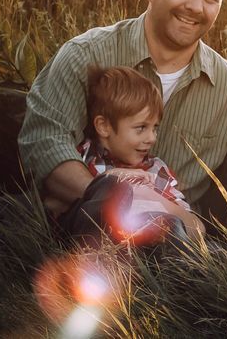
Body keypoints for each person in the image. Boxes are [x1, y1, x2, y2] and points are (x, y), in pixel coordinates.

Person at [19, 0, 227, 242]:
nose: (196, 6)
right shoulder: (85, 54)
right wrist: (124, 200)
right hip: (77, 230)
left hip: (172, 243)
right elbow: (44, 143)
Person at [76, 65, 206, 246]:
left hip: (155, 248)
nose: (152, 138)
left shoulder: (156, 171)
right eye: (141, 128)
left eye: (155, 128)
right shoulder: (83, 160)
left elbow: (197, 228)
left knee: (174, 227)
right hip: (101, 247)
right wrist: (113, 179)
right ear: (104, 126)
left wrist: (150, 195)